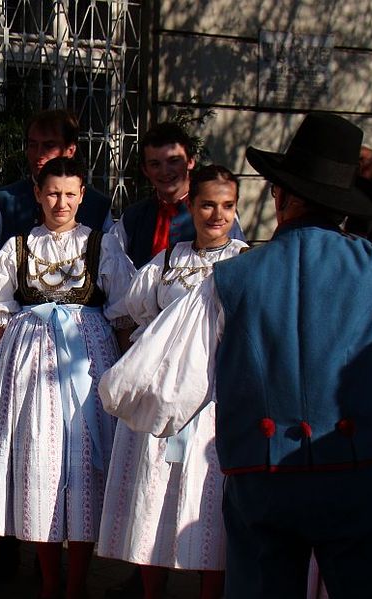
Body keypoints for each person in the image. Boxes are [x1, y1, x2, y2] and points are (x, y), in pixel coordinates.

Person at [99, 112, 372, 598]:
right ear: (341, 207)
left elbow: (150, 388)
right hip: (353, 474)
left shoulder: (226, 282)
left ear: (281, 197)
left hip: (262, 480)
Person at [0, 157, 135, 599]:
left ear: (83, 196)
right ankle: (49, 579)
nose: (61, 202)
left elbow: (122, 316)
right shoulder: (17, 247)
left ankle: (76, 582)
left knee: (82, 467)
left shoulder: (102, 245)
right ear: (38, 195)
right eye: (52, 193)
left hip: (87, 365)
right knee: (38, 465)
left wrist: (120, 378)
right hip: (27, 370)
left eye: (70, 194)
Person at [98, 165, 247, 599]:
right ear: (191, 206)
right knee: (151, 494)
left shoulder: (245, 263)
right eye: (207, 204)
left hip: (215, 401)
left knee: (209, 501)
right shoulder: (166, 262)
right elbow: (134, 313)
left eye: (227, 206)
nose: (217, 215)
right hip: (161, 399)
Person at [0, 109, 113, 255]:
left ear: (70, 150)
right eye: (33, 145)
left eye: (49, 146)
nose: (39, 154)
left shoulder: (97, 206)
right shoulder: (5, 200)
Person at [110, 122, 244, 269]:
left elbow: (236, 266)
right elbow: (113, 268)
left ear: (191, 161)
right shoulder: (133, 217)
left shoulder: (217, 214)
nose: (165, 171)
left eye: (173, 161)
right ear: (145, 169)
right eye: (155, 164)